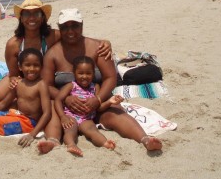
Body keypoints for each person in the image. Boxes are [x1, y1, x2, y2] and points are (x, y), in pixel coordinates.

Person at [0, 0, 111, 123]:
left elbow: (75, 36)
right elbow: (13, 73)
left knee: (15, 103)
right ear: (21, 18)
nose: (32, 18)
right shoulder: (14, 44)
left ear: (43, 17)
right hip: (19, 77)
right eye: (27, 14)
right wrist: (15, 82)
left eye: (36, 14)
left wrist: (105, 42)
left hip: (41, 81)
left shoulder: (51, 36)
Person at [37, 8, 162, 154]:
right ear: (59, 28)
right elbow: (47, 85)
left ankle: (145, 140)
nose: (70, 31)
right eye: (65, 27)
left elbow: (110, 77)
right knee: (52, 105)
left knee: (114, 111)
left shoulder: (98, 48)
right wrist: (67, 99)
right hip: (66, 108)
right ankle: (53, 140)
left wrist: (98, 99)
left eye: (75, 26)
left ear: (82, 25)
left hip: (96, 101)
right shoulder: (53, 54)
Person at [0, 48, 51, 148]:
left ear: (42, 67)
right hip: (15, 114)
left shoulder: (41, 85)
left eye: (36, 65)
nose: (32, 68)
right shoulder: (19, 83)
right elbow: (4, 103)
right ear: (20, 67)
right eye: (28, 65)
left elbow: (47, 113)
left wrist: (32, 134)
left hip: (28, 122)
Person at [55, 55, 124, 156]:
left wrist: (110, 102)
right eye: (80, 73)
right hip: (71, 116)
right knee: (70, 130)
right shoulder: (71, 86)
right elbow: (58, 100)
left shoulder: (95, 87)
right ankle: (71, 144)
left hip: (86, 119)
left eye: (88, 73)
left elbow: (99, 107)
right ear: (74, 73)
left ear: (93, 74)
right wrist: (62, 117)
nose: (84, 76)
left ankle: (105, 143)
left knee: (92, 131)